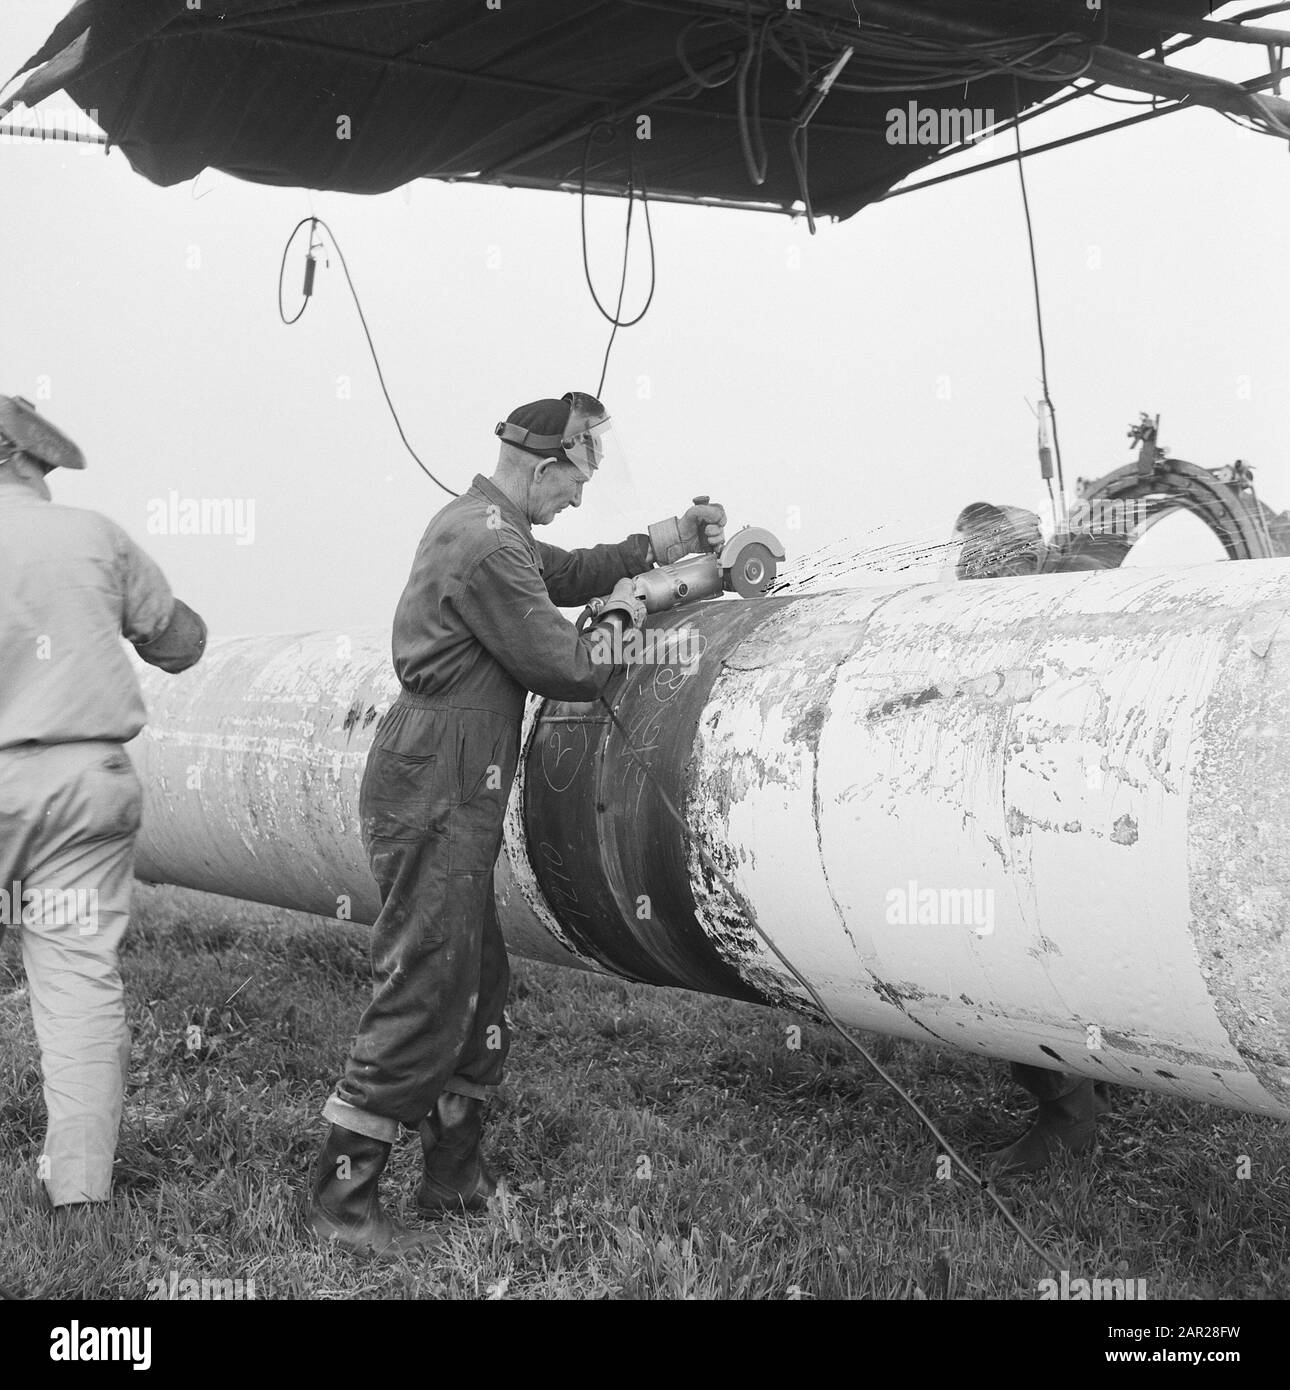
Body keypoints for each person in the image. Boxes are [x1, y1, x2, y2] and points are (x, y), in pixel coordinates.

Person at [309, 392, 726, 1257]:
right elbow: (571, 665)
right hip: (439, 777)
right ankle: (343, 1207)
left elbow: (562, 573)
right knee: (427, 980)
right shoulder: (489, 544)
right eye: (575, 482)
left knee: (476, 980)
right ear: (545, 467)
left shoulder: (484, 526)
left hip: (446, 770)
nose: (577, 499)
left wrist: (663, 545)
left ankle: (453, 1177)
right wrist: (636, 604)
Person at [0, 394, 207, 1212]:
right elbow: (181, 645)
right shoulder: (92, 535)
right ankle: (79, 1191)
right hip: (83, 787)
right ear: (27, 460)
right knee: (78, 986)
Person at [949, 499, 1121, 1175]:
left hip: (1043, 821)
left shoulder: (1040, 612)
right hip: (1074, 821)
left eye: (974, 558)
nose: (964, 570)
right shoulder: (1048, 598)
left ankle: (1068, 1120)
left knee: (1012, 968)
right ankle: (1100, 1078)